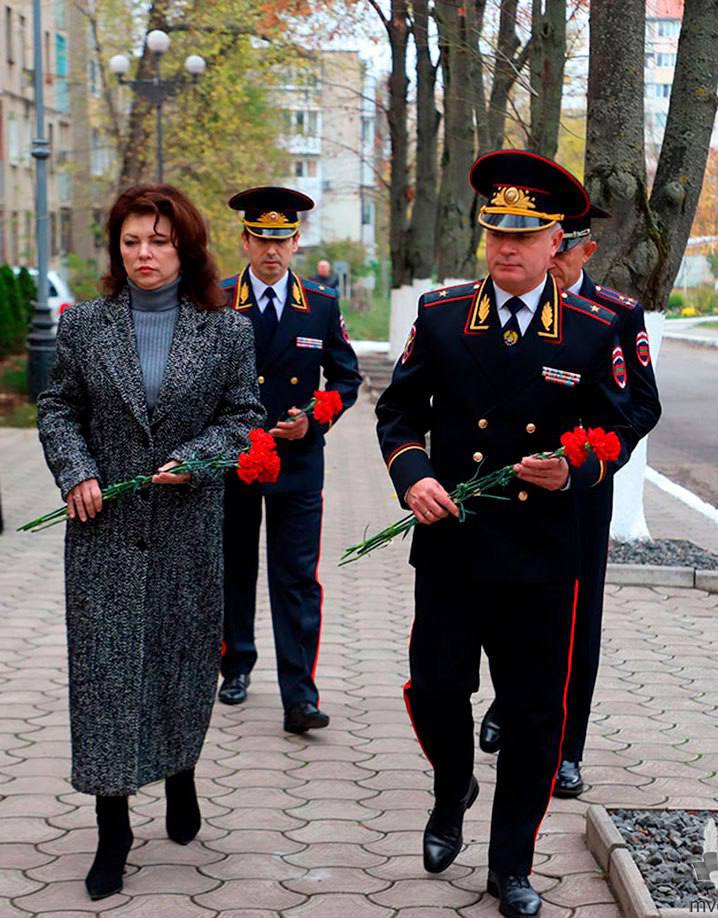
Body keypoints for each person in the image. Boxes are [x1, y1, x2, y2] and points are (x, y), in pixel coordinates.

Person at [376, 150, 640, 918]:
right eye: (496, 233)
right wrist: (413, 476)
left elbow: (622, 424)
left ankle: (510, 865)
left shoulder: (593, 328)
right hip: (453, 542)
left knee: (533, 715)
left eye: (523, 236)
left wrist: (578, 469)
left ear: (557, 241)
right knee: (434, 690)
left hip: (543, 552)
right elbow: (399, 412)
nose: (505, 248)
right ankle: (452, 784)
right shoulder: (443, 315)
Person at [37, 184, 263, 900]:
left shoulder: (225, 330)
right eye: (131, 241)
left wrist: (196, 459)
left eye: (158, 242)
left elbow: (243, 418)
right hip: (103, 529)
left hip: (186, 531)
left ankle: (180, 772)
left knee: (178, 667)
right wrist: (76, 471)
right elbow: (59, 407)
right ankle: (113, 830)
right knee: (105, 676)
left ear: (185, 248)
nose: (144, 254)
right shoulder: (85, 325)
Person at [478, 206, 662, 799]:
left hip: (577, 496)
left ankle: (566, 751)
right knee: (501, 608)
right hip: (501, 488)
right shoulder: (498, 303)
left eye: (560, 249)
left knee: (576, 625)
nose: (551, 260)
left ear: (584, 250)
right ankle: (510, 699)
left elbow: (642, 406)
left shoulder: (615, 314)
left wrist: (588, 456)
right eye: (546, 247)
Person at [219, 187, 361, 732]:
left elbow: (345, 379)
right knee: (233, 566)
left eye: (281, 240)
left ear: (296, 242)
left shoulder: (320, 304)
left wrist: (314, 419)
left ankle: (299, 694)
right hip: (232, 460)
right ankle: (235, 664)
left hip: (298, 461)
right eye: (261, 239)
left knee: (297, 576)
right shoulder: (218, 299)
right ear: (245, 241)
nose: (271, 250)